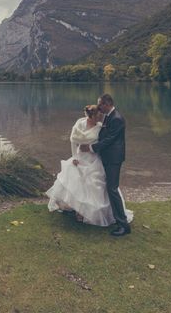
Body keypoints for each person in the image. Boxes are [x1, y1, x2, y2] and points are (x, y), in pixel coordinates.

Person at [46, 104, 133, 227]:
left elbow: (103, 144)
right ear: (91, 115)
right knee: (77, 182)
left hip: (94, 159)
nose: (99, 117)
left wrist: (92, 149)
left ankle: (86, 213)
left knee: (95, 184)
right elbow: (73, 141)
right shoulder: (80, 123)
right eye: (97, 115)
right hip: (80, 157)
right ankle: (78, 209)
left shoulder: (100, 127)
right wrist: (74, 157)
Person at [80, 94, 131, 236]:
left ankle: (123, 225)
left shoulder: (117, 119)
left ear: (107, 103)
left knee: (112, 189)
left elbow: (109, 139)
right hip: (108, 157)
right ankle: (117, 218)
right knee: (110, 189)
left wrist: (91, 148)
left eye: (100, 104)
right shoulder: (109, 116)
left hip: (113, 159)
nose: (98, 107)